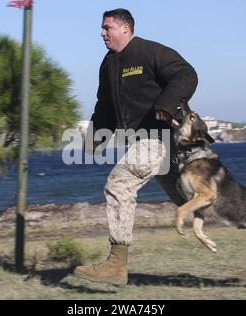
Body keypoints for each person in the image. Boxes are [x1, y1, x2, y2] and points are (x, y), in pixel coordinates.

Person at [74, 8, 198, 285]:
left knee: (119, 184)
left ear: (125, 29)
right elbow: (104, 105)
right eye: (102, 28)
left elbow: (186, 75)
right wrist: (96, 137)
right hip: (143, 141)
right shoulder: (108, 64)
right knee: (190, 201)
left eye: (107, 28)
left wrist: (166, 107)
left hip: (164, 137)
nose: (102, 33)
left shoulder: (152, 53)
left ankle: (116, 264)